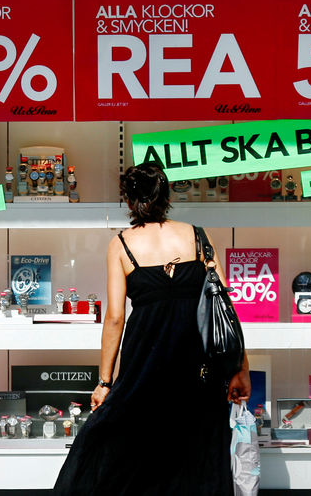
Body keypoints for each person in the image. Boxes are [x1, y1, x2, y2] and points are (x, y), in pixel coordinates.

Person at [53, 162, 251, 495]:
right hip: (198, 367)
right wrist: (240, 368)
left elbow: (115, 317)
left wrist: (105, 382)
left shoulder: (121, 244)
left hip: (145, 363)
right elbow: (225, 309)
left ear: (129, 200)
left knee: (128, 449)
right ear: (166, 194)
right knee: (196, 453)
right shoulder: (197, 236)